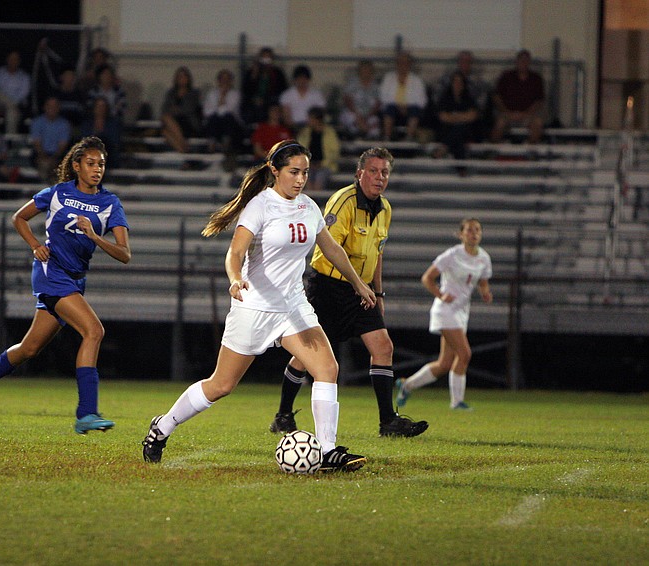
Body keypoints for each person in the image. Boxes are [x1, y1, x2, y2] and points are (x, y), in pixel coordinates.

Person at [142, 140, 374, 472]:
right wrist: (235, 279)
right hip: (255, 308)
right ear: (275, 171)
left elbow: (332, 248)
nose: (300, 180)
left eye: (305, 172)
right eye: (294, 172)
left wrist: (357, 282)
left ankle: (327, 451)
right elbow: (235, 253)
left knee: (327, 369)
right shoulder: (260, 206)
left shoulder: (308, 206)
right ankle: (162, 427)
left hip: (293, 307)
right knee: (221, 385)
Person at [0, 137, 130, 434]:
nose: (97, 169)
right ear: (76, 166)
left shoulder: (110, 203)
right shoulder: (57, 193)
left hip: (75, 280)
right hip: (50, 273)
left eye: (101, 164)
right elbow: (19, 218)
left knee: (29, 348)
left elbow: (124, 254)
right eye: (90, 164)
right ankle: (86, 413)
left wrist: (95, 237)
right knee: (94, 331)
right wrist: (35, 244)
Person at [268, 147, 429, 439]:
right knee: (306, 357)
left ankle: (388, 422)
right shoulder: (343, 202)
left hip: (361, 291)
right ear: (359, 174)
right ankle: (283, 415)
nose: (379, 178)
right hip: (328, 288)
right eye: (373, 171)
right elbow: (329, 250)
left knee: (383, 347)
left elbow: (378, 253)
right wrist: (358, 284)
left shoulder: (385, 209)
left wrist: (378, 294)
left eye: (384, 172)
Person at [396, 218, 492, 411]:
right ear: (461, 234)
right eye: (470, 230)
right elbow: (427, 278)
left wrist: (485, 292)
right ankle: (457, 403)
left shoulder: (483, 257)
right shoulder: (452, 254)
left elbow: (482, 280)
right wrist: (440, 294)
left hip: (462, 311)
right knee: (464, 354)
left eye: (477, 230)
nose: (474, 234)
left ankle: (407, 385)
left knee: (445, 363)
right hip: (446, 310)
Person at [491, 49, 546, 144]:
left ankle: (530, 152)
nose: (523, 63)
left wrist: (525, 114)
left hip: (529, 115)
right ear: (517, 61)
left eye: (526, 61)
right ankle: (493, 152)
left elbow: (539, 101)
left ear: (529, 62)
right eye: (521, 60)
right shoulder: (506, 76)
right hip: (507, 114)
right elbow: (497, 97)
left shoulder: (536, 79)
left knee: (537, 124)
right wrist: (507, 112)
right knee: (499, 124)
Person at [379, 51, 428, 141]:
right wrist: (398, 105)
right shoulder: (388, 78)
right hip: (393, 107)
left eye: (406, 62)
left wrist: (406, 106)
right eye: (400, 62)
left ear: (410, 64)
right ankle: (387, 137)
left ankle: (409, 138)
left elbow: (422, 101)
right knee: (389, 109)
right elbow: (383, 97)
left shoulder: (417, 80)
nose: (403, 65)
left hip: (410, 109)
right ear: (397, 64)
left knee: (414, 110)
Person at [202, 68, 244, 169]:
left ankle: (226, 142)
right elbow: (207, 111)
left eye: (227, 79)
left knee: (227, 118)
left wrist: (222, 99)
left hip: (231, 123)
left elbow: (229, 110)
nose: (225, 82)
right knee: (214, 119)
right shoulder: (212, 94)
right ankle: (212, 144)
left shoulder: (235, 94)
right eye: (222, 79)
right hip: (215, 122)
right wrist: (221, 100)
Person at [435, 71, 480, 159]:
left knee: (460, 130)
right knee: (458, 137)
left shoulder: (468, 98)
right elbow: (443, 117)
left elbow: (473, 116)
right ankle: (461, 170)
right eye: (455, 81)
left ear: (463, 84)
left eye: (460, 82)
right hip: (448, 131)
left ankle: (444, 148)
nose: (457, 84)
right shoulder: (445, 98)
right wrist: (463, 116)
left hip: (466, 132)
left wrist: (453, 116)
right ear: (451, 83)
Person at [240, 46, 288, 127]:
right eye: (264, 57)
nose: (266, 61)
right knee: (249, 110)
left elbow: (282, 90)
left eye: (268, 58)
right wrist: (254, 75)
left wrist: (266, 99)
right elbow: (246, 90)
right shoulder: (252, 72)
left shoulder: (278, 73)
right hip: (252, 102)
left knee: (270, 109)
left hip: (271, 101)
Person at [0, 51, 31, 134]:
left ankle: (10, 140)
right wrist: (10, 103)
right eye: (11, 59)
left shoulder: (24, 77)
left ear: (19, 61)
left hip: (17, 106)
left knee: (11, 112)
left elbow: (23, 94)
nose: (13, 61)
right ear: (7, 60)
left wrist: (10, 105)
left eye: (15, 59)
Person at [160, 66, 202, 156]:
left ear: (188, 78)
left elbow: (189, 109)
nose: (182, 79)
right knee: (165, 131)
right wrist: (177, 110)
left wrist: (175, 109)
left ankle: (183, 144)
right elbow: (164, 109)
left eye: (184, 76)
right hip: (174, 122)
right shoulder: (171, 93)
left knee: (167, 119)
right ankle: (186, 152)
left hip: (188, 122)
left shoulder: (193, 93)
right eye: (179, 76)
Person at [296, 106, 340, 191]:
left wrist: (322, 163)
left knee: (319, 179)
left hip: (326, 166)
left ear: (317, 119)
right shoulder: (305, 133)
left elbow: (334, 152)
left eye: (310, 118)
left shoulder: (330, 133)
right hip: (308, 166)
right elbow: (299, 150)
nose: (308, 120)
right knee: (304, 178)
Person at [30, 96, 72, 183]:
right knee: (44, 164)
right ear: (45, 107)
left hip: (58, 155)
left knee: (57, 164)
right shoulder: (37, 122)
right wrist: (44, 157)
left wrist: (53, 158)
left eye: (55, 106)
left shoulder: (64, 124)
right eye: (50, 106)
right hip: (40, 154)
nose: (52, 109)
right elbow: (37, 143)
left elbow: (62, 145)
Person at [338, 59, 382, 139]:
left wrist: (367, 116)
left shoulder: (376, 86)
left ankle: (367, 141)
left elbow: (378, 104)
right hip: (353, 113)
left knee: (375, 128)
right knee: (353, 123)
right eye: (364, 69)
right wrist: (358, 116)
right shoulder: (352, 84)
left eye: (368, 70)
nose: (366, 72)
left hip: (369, 115)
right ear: (359, 71)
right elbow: (347, 100)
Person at [279, 64, 326, 131]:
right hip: (293, 128)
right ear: (295, 80)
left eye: (304, 78)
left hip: (312, 128)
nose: (302, 81)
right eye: (299, 78)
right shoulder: (287, 95)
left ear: (308, 79)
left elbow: (320, 114)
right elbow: (286, 116)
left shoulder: (317, 95)